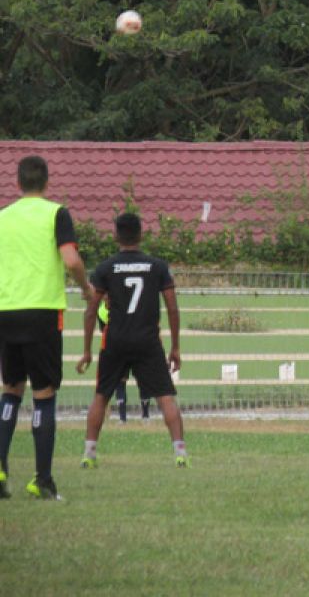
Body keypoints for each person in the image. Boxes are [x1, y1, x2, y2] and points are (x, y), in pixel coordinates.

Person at [0, 155, 92, 500]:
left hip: (6, 310)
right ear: (47, 183)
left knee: (10, 389)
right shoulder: (57, 213)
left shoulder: (3, 217)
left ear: (18, 183)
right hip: (42, 311)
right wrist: (85, 288)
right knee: (43, 394)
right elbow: (70, 259)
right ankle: (42, 479)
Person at [77, 213, 188, 468]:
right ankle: (180, 453)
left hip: (115, 340)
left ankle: (89, 454)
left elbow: (92, 309)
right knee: (165, 396)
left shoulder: (105, 268)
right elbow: (172, 307)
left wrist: (86, 350)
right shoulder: (157, 267)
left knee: (101, 395)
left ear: (116, 235)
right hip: (147, 341)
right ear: (141, 235)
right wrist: (175, 346)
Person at [98, 302, 151, 423]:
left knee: (141, 380)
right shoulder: (103, 311)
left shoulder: (110, 307)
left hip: (131, 345)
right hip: (121, 347)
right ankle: (124, 418)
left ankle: (145, 416)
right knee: (121, 382)